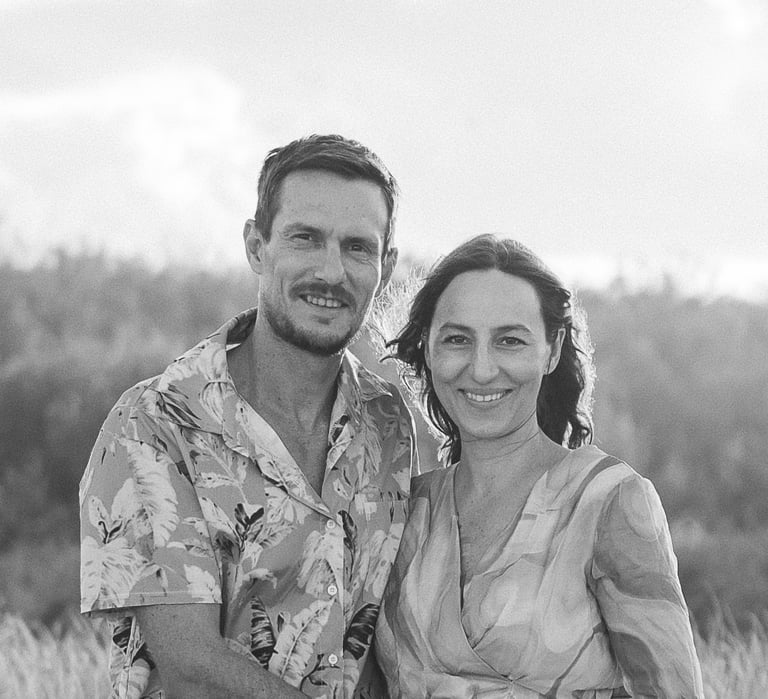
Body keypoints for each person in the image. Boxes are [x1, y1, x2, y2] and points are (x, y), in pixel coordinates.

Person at [79, 134, 417, 699]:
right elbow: (193, 672)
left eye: (358, 247)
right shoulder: (155, 423)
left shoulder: (389, 425)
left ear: (386, 265)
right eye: (305, 238)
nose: (331, 272)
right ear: (256, 246)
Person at [374, 235, 704, 698]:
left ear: (551, 350)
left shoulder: (608, 502)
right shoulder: (402, 512)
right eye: (457, 339)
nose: (482, 369)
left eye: (509, 341)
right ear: (428, 350)